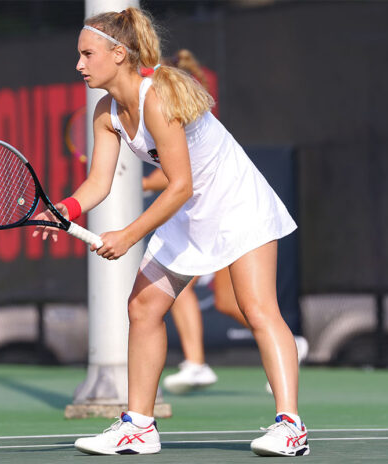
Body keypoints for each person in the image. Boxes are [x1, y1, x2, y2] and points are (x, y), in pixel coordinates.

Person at [33, 7, 309, 457]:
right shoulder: (106, 111)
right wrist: (61, 209)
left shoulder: (156, 99)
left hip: (237, 201)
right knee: (142, 307)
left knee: (257, 308)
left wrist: (127, 235)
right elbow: (100, 183)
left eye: (87, 54)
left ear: (118, 54)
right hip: (190, 210)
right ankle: (139, 426)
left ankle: (290, 427)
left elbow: (180, 185)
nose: (79, 65)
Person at [142, 50, 308, 396]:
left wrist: (140, 188)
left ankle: (203, 363)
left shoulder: (171, 106)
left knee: (250, 306)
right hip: (200, 216)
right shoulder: (142, 109)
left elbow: (182, 175)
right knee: (227, 304)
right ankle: (284, 344)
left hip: (232, 212)